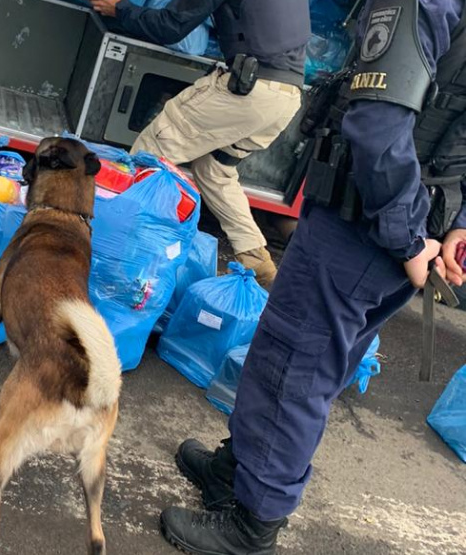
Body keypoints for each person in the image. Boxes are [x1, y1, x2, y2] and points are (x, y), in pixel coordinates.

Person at [157, 0, 466, 553]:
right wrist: (455, 225)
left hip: (370, 219)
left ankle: (253, 522)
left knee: (293, 365)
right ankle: (239, 470)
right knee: (317, 362)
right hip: (413, 220)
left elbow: (377, 127)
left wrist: (406, 235)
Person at [91, 0, 311, 287]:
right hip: (286, 97)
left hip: (248, 89)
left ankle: (120, 249)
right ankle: (257, 260)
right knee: (216, 171)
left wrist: (118, 9)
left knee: (153, 150)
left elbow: (169, 27)